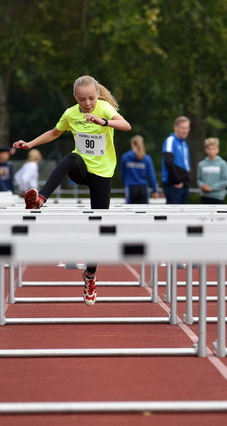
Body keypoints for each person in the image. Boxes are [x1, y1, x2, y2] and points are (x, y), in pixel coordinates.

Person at [11, 75, 131, 305]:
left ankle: (90, 276)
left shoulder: (104, 108)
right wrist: (30, 144)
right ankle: (40, 199)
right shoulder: (70, 114)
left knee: (100, 230)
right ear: (75, 98)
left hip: (102, 174)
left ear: (97, 95)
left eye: (91, 98)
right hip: (82, 168)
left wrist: (103, 122)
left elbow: (126, 125)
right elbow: (54, 133)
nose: (87, 103)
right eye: (82, 99)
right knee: (70, 158)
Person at [121, 135, 160, 204]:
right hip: (143, 188)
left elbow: (123, 174)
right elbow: (151, 176)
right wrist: (155, 190)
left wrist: (124, 183)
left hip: (130, 187)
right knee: (144, 211)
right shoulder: (147, 158)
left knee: (129, 211)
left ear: (132, 144)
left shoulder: (126, 157)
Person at [162, 116, 191, 204]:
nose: (185, 131)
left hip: (184, 185)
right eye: (182, 128)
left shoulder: (185, 145)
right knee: (173, 215)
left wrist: (187, 181)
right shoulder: (170, 140)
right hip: (173, 184)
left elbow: (186, 166)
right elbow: (168, 162)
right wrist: (177, 180)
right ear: (175, 128)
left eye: (187, 128)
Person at [197, 137, 227, 204]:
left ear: (218, 150)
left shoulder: (223, 164)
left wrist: (212, 188)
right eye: (209, 149)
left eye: (213, 149)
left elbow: (225, 180)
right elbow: (199, 179)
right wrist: (203, 186)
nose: (211, 151)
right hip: (205, 196)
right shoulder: (201, 164)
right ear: (205, 150)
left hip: (218, 197)